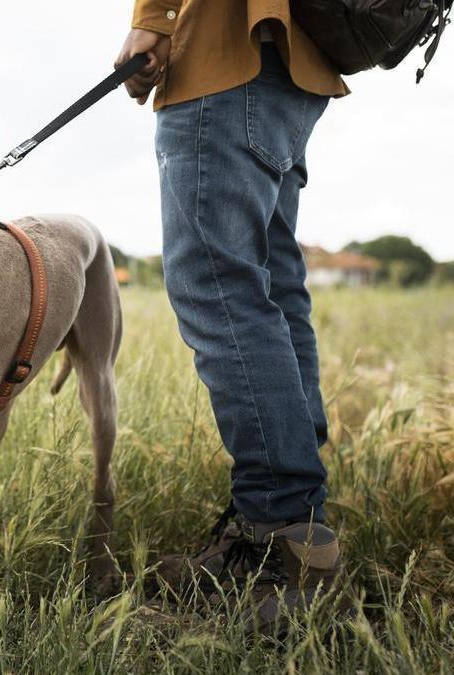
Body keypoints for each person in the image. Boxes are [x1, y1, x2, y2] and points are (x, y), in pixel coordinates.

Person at [114, 1, 349, 628]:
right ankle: (299, 521)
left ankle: (282, 534)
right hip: (294, 57)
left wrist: (158, 17)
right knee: (268, 285)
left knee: (219, 287)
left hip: (225, 51)